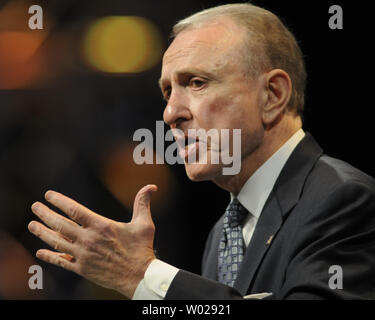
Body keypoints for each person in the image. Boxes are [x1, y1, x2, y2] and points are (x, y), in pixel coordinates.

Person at [28, 3, 375, 299]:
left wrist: (143, 276)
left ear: (272, 95)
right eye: (167, 92)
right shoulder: (224, 231)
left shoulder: (344, 199)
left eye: (197, 82)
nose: (170, 113)